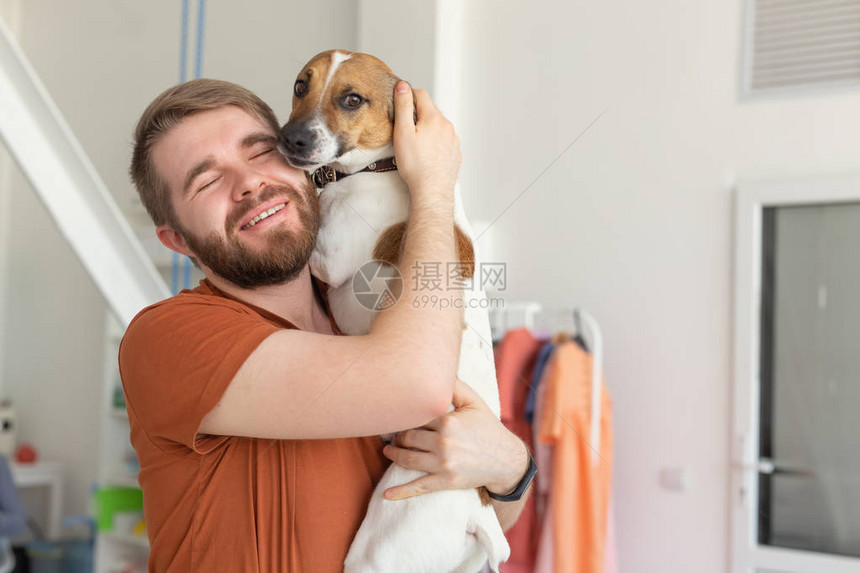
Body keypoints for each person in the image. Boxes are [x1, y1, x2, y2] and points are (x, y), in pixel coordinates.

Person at [120, 77, 532, 572]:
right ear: (178, 241)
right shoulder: (168, 338)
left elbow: (467, 520)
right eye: (206, 181)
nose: (248, 182)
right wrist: (434, 188)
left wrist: (510, 469)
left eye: (261, 152)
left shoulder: (375, 318)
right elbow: (416, 385)